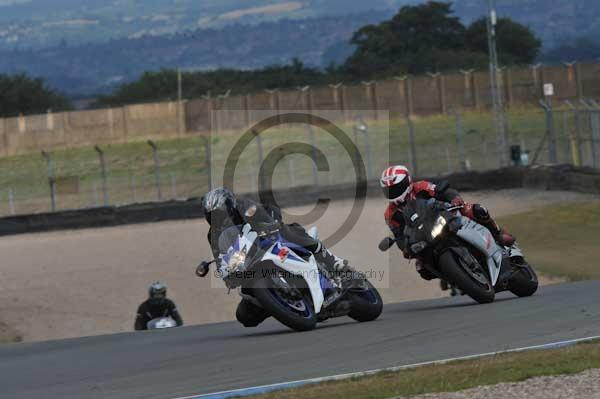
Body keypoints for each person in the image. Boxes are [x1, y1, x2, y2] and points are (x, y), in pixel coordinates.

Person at [197, 187, 353, 327]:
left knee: (290, 231)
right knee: (244, 316)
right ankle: (278, 301)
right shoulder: (213, 235)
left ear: (229, 206)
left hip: (268, 241)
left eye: (220, 212)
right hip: (248, 264)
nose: (217, 217)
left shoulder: (244, 206)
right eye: (212, 215)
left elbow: (266, 211)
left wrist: (272, 223)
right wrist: (226, 273)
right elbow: (220, 257)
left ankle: (333, 262)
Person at [380, 165, 515, 281]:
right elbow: (399, 237)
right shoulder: (390, 214)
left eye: (397, 188)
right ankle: (453, 276)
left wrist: (454, 198)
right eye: (389, 191)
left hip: (443, 216)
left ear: (407, 182)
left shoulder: (420, 187)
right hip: (423, 236)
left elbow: (444, 191)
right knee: (421, 267)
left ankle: (498, 234)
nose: (394, 193)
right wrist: (405, 248)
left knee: (476, 210)